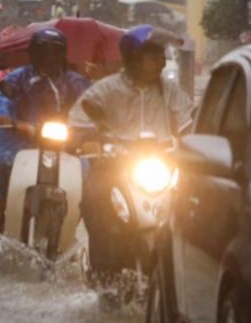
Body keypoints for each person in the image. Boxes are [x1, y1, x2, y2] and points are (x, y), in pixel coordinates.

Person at [70, 25, 193, 280]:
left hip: (162, 163)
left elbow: (187, 121)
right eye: (154, 56)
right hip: (113, 164)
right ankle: (103, 273)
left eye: (162, 56)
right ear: (134, 57)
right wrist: (91, 140)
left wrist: (195, 141)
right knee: (95, 199)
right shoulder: (106, 89)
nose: (162, 62)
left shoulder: (169, 90)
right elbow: (79, 122)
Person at [0, 28, 91, 234]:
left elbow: (92, 103)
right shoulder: (19, 77)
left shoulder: (75, 81)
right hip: (23, 138)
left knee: (89, 173)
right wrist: (5, 116)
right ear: (33, 53)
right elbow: (2, 98)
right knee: (4, 163)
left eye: (54, 52)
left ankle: (76, 218)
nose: (48, 57)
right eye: (43, 51)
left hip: (67, 140)